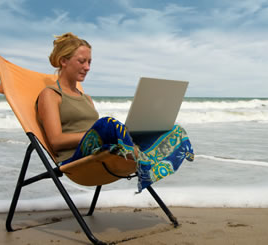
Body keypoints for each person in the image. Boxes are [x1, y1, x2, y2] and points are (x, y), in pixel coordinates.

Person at [37, 32, 194, 192]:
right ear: (64, 61)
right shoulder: (50, 95)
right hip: (76, 161)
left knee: (172, 129)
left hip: (102, 154)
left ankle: (141, 155)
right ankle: (143, 158)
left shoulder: (87, 98)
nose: (87, 67)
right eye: (82, 61)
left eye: (90, 62)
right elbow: (55, 141)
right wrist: (96, 133)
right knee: (108, 124)